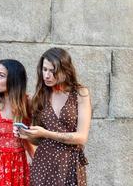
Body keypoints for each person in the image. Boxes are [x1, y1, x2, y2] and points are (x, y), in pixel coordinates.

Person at [17, 48, 92, 186]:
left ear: (66, 70)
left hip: (70, 164)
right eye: (44, 69)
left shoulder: (80, 93)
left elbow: (82, 137)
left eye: (52, 71)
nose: (46, 75)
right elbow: (39, 140)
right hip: (43, 163)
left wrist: (46, 133)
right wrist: (28, 135)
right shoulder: (40, 97)